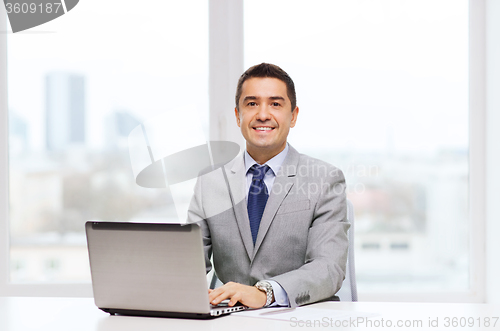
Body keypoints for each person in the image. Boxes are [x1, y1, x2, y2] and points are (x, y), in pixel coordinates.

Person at [187, 63, 349, 308]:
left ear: (293, 116)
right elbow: (189, 265)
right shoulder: (210, 182)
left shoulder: (325, 179)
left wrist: (266, 293)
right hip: (228, 319)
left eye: (275, 104)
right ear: (237, 115)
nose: (263, 114)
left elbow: (328, 268)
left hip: (299, 318)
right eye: (252, 104)